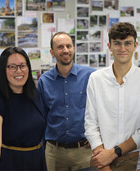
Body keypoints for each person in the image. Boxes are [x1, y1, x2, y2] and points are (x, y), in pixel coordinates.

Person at [85, 22, 140, 171]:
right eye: (117, 43)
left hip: (136, 161)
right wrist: (104, 162)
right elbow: (90, 124)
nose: (122, 49)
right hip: (103, 161)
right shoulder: (96, 79)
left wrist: (114, 152)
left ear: (135, 45)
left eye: (128, 43)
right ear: (109, 46)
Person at [38, 32, 96, 171]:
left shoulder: (91, 76)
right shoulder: (44, 81)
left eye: (68, 46)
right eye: (60, 47)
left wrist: (98, 135)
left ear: (73, 49)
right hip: (54, 152)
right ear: (52, 52)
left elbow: (102, 108)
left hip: (83, 151)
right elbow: (41, 116)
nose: (65, 50)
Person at [0, 47, 47, 171]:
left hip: (37, 160)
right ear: (3, 70)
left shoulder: (35, 94)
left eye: (22, 65)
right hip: (12, 162)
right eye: (12, 67)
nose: (19, 71)